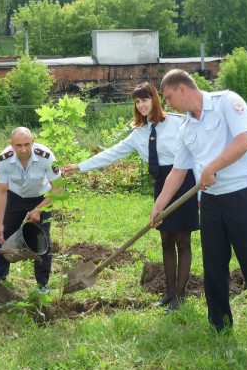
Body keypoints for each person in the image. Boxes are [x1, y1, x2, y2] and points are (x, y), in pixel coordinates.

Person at [150, 69, 247, 341]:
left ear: (183, 89)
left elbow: (243, 142)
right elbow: (178, 171)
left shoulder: (227, 103)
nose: (168, 104)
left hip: (242, 196)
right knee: (214, 266)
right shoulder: (186, 128)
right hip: (209, 203)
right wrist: (160, 205)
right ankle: (220, 327)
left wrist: (212, 167)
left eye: (169, 97)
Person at [64, 82, 199, 313]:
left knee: (182, 241)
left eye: (145, 99)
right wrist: (80, 167)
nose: (141, 105)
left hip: (184, 181)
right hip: (161, 185)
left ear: (154, 99)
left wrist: (200, 193)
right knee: (166, 239)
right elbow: (112, 154)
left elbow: (195, 155)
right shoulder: (138, 132)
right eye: (137, 101)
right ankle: (168, 293)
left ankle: (180, 295)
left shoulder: (177, 123)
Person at [0, 127, 62, 293]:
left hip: (41, 197)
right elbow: (1, 192)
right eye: (18, 145)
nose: (23, 149)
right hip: (15, 197)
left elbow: (58, 189)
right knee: (5, 235)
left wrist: (38, 209)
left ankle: (42, 283)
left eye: (27, 144)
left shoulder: (46, 156)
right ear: (11, 144)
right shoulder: (3, 159)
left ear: (33, 141)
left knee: (42, 238)